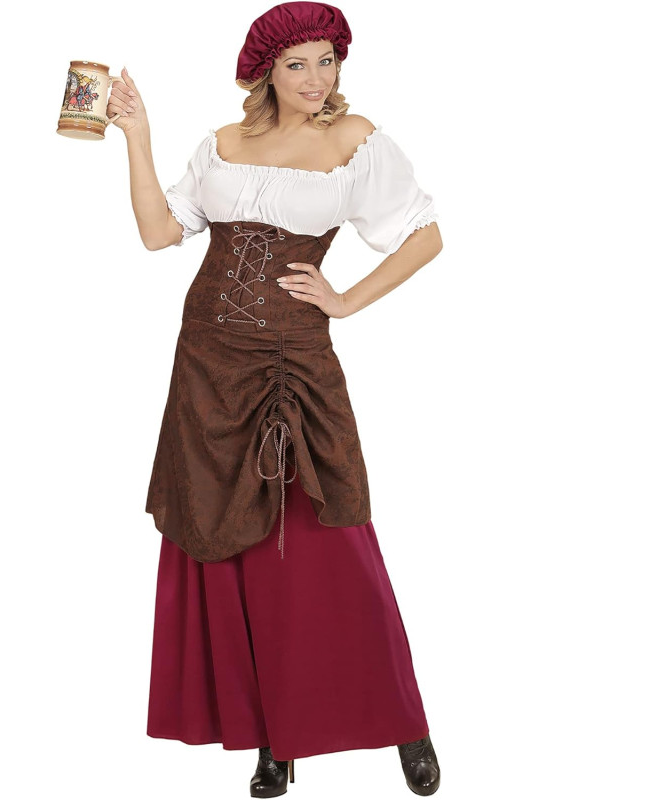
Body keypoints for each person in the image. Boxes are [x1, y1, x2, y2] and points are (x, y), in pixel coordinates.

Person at [109, 2, 443, 796]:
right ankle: (272, 739)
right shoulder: (225, 144)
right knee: (233, 542)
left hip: (293, 362)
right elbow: (160, 234)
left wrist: (345, 300)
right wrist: (137, 135)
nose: (316, 78)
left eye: (327, 60)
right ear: (264, 71)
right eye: (297, 64)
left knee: (331, 541)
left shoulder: (354, 139)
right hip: (208, 360)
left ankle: (405, 723)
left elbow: (425, 234)